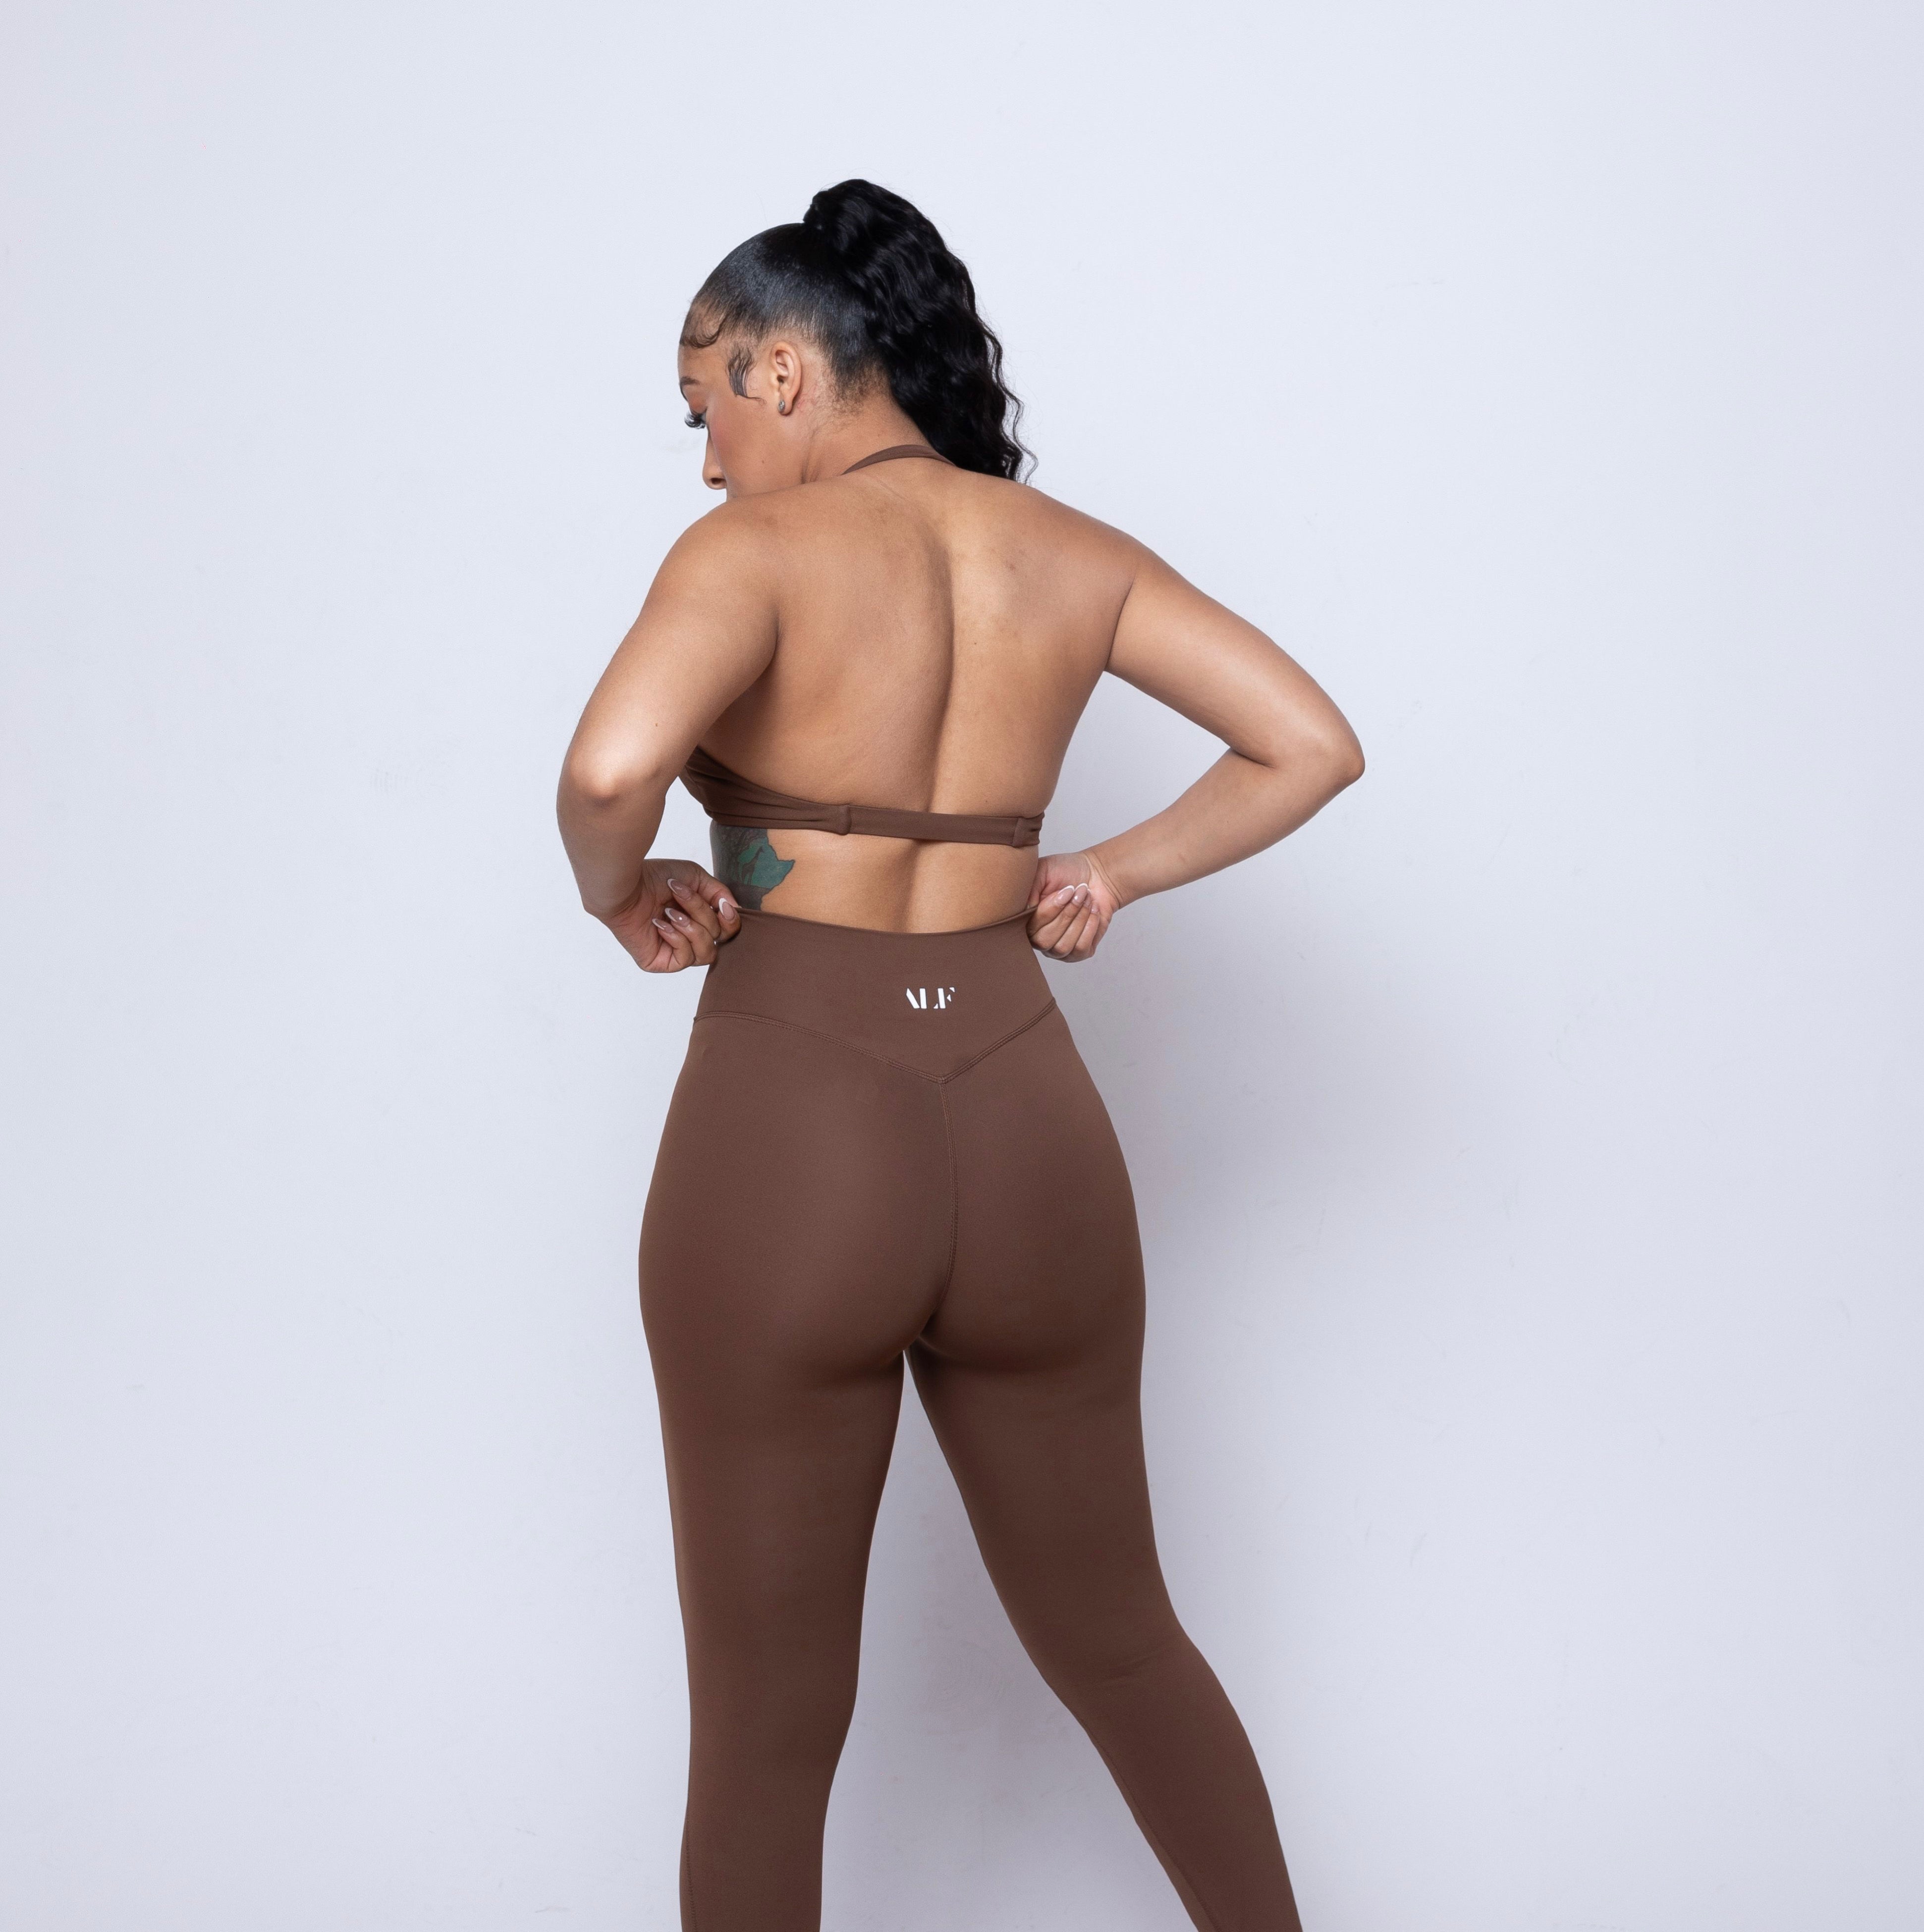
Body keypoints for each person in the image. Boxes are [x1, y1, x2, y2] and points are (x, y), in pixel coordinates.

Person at [557, 178, 1364, 1932]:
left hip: (794, 1120)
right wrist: (1109, 870)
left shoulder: (750, 558)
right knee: (1126, 1643)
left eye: (703, 412)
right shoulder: (1067, 551)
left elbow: (612, 769)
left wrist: (624, 894)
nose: (706, 465)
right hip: (1027, 1119)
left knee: (767, 1727)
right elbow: (1310, 740)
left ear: (781, 372)